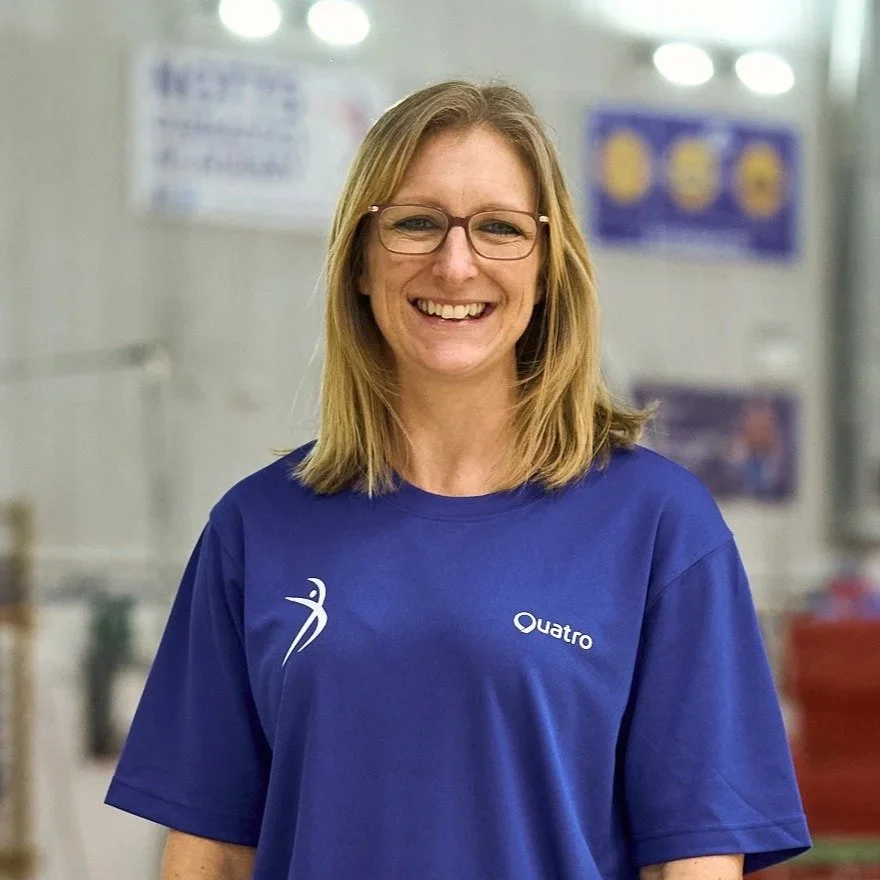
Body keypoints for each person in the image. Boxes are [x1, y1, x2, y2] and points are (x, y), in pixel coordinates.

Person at [105, 81, 811, 880]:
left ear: (547, 273)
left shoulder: (657, 526)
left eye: (501, 229)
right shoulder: (255, 528)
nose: (455, 262)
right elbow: (210, 854)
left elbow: (694, 861)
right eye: (415, 222)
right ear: (361, 264)